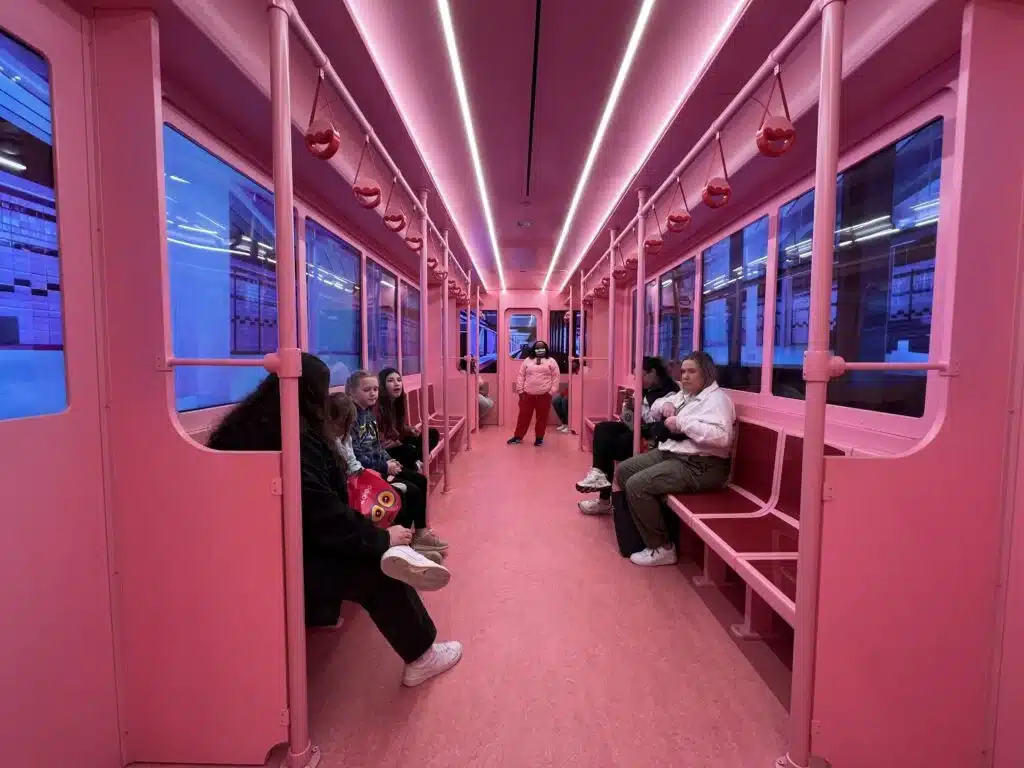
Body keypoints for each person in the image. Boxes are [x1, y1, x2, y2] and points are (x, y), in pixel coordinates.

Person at [207, 353, 461, 686]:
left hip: (255, 546)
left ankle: (326, 610)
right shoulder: (300, 442)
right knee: (377, 568)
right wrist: (380, 538)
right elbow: (323, 515)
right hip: (285, 556)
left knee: (367, 537)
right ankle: (422, 655)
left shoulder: (245, 431)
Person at [615, 351, 735, 567]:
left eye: (691, 371)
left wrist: (682, 424)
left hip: (701, 465)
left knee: (637, 486)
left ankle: (662, 547)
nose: (685, 376)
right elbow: (657, 406)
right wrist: (664, 406)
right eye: (683, 372)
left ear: (706, 373)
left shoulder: (718, 401)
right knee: (624, 471)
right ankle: (651, 524)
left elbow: (723, 438)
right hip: (672, 454)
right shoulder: (685, 395)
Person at [347, 370, 449, 559]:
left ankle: (419, 534)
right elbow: (358, 454)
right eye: (367, 390)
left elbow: (376, 445)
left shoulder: (368, 414)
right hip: (365, 474)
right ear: (352, 393)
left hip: (378, 466)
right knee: (409, 490)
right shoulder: (352, 418)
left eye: (375, 389)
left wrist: (388, 460)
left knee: (420, 480)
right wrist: (386, 467)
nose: (372, 393)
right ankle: (405, 544)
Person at [574, 356, 680, 515]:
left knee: (607, 446)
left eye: (640, 375)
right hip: (636, 428)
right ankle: (598, 473)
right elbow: (633, 418)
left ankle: (604, 499)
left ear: (653, 372)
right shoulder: (646, 389)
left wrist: (638, 411)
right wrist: (629, 409)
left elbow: (657, 424)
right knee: (602, 429)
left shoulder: (670, 394)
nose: (638, 380)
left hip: (650, 438)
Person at [376, 367, 439, 472]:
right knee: (409, 451)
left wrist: (409, 430)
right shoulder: (377, 407)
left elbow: (399, 427)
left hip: (397, 440)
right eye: (390, 381)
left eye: (399, 380)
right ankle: (415, 461)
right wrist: (392, 441)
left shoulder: (397, 403)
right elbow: (378, 435)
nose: (397, 384)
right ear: (382, 385)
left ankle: (417, 460)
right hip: (386, 447)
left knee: (432, 434)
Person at [508, 340, 560, 446]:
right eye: (537, 348)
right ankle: (518, 436)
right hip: (527, 395)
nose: (540, 350)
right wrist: (520, 391)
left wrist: (551, 391)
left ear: (546, 349)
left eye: (542, 348)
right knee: (523, 417)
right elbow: (521, 375)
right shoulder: (527, 360)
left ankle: (539, 438)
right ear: (534, 349)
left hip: (545, 395)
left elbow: (556, 377)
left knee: (542, 418)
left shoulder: (551, 361)